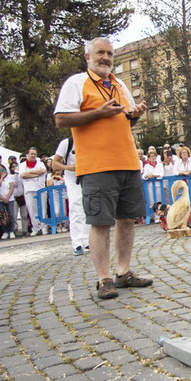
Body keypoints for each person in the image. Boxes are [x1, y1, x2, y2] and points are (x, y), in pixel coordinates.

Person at [54, 37, 152, 300]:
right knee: (100, 223)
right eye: (100, 53)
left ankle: (123, 272)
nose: (106, 58)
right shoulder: (76, 83)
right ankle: (103, 279)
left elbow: (125, 120)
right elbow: (61, 119)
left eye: (110, 54)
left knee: (128, 219)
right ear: (87, 57)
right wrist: (98, 112)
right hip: (97, 166)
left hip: (128, 161)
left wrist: (136, 114)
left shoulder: (120, 84)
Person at [53, 136, 87, 255]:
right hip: (72, 178)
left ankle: (87, 239)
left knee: (88, 207)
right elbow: (54, 164)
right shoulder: (67, 143)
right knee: (75, 207)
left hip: (88, 176)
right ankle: (77, 242)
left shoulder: (90, 139)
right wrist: (68, 168)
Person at [19, 148, 48, 236]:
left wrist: (30, 172)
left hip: (40, 189)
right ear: (27, 155)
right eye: (31, 154)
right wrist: (36, 174)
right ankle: (35, 228)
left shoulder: (40, 163)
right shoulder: (22, 165)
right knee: (32, 209)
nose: (33, 156)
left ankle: (44, 227)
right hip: (29, 189)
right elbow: (23, 175)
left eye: (35, 154)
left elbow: (43, 171)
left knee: (43, 209)